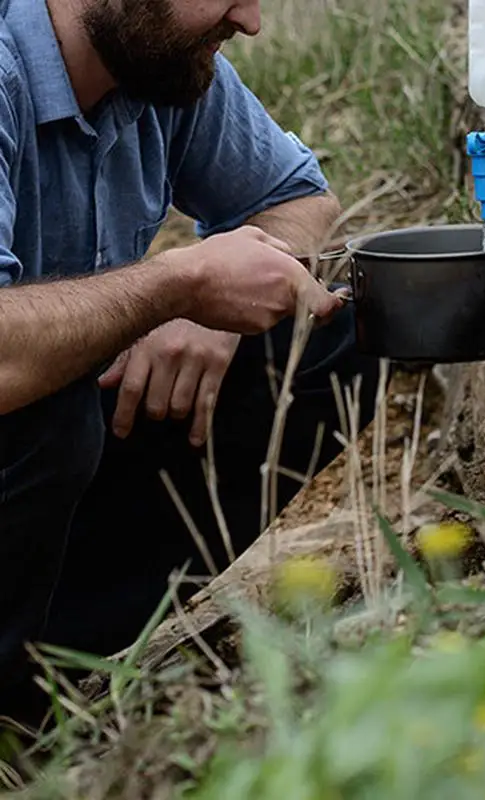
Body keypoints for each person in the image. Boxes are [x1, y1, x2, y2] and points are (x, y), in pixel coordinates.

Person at [0, 0, 380, 723]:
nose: (250, 18)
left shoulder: (154, 68)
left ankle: (46, 664)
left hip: (50, 453)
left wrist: (210, 316)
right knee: (48, 410)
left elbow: (299, 198)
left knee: (332, 341)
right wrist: (177, 286)